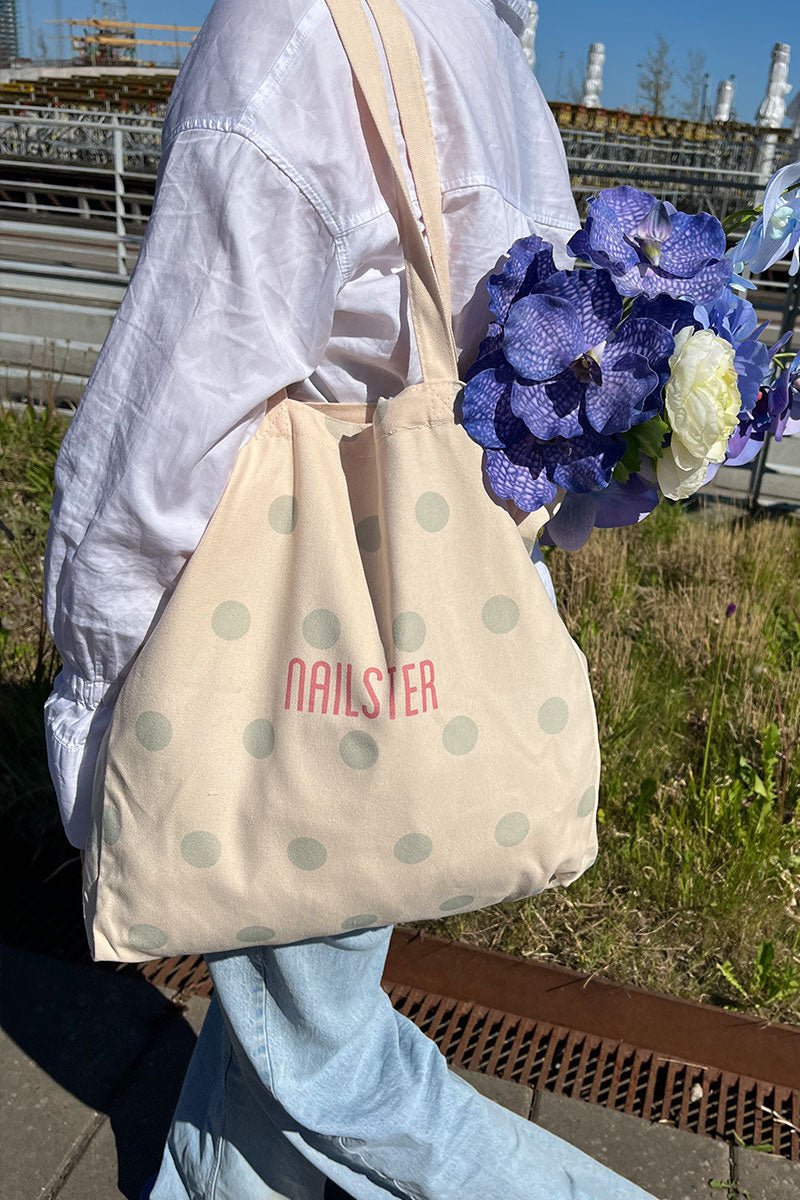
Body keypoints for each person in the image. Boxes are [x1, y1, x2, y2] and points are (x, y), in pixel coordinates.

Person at [43, 1, 656, 1197]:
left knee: (332, 1072)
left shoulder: (288, 33)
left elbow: (160, 442)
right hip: (420, 623)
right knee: (280, 1018)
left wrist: (99, 712)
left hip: (288, 659)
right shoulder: (485, 45)